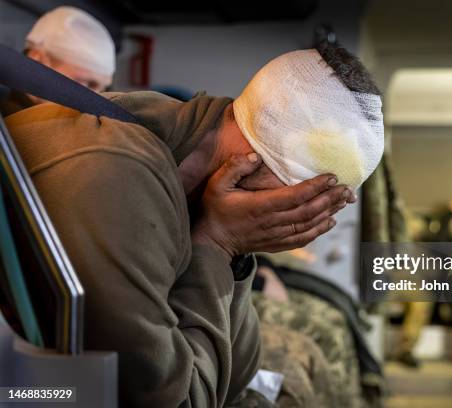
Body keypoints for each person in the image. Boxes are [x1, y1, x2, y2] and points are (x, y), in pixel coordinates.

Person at [4, 40, 383, 407]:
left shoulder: (181, 137)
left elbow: (234, 375)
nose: (307, 217)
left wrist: (235, 253)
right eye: (309, 197)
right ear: (253, 155)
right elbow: (177, 401)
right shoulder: (117, 172)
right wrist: (218, 243)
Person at [0, 6, 115, 116]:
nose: (98, 100)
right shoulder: (7, 128)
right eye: (88, 84)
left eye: (104, 89)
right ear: (37, 62)